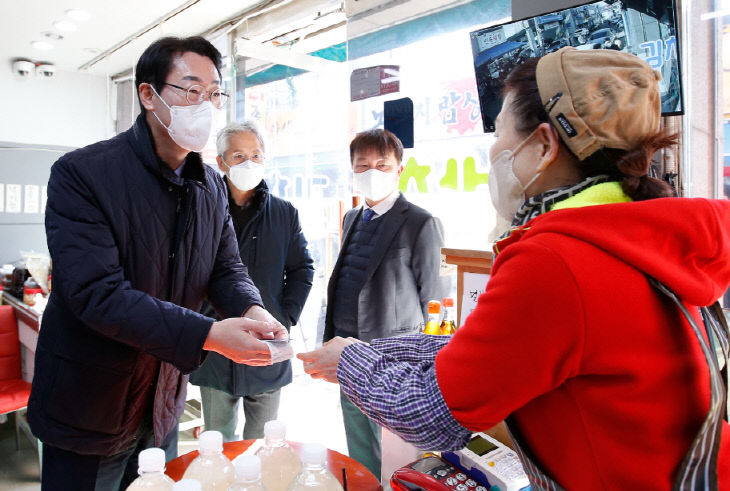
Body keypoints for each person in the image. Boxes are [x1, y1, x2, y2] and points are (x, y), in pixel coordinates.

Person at [298, 47, 730, 488]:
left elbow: (428, 416)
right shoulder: (636, 233)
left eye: (500, 131)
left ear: (543, 145)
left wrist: (350, 361)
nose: (494, 150)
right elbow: (496, 353)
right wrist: (366, 349)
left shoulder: (555, 262)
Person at [28, 37, 288, 491]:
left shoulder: (210, 184)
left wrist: (253, 311)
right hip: (89, 407)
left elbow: (227, 269)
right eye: (191, 90)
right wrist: (208, 334)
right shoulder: (83, 174)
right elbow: (96, 294)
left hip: (160, 403)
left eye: (213, 94)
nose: (204, 105)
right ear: (148, 95)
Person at [323, 128, 444, 479]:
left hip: (394, 359)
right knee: (359, 443)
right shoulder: (351, 219)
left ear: (399, 170)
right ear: (352, 171)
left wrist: (430, 366)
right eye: (362, 165)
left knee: (399, 452)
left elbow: (432, 299)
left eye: (381, 164)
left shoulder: (421, 223)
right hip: (348, 351)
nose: (371, 172)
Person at [190, 121, 314, 441]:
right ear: (221, 162)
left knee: (262, 443)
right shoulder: (200, 210)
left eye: (256, 155)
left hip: (268, 343)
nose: (249, 163)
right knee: (218, 440)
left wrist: (285, 316)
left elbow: (302, 270)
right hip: (217, 346)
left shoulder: (284, 213)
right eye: (239, 155)